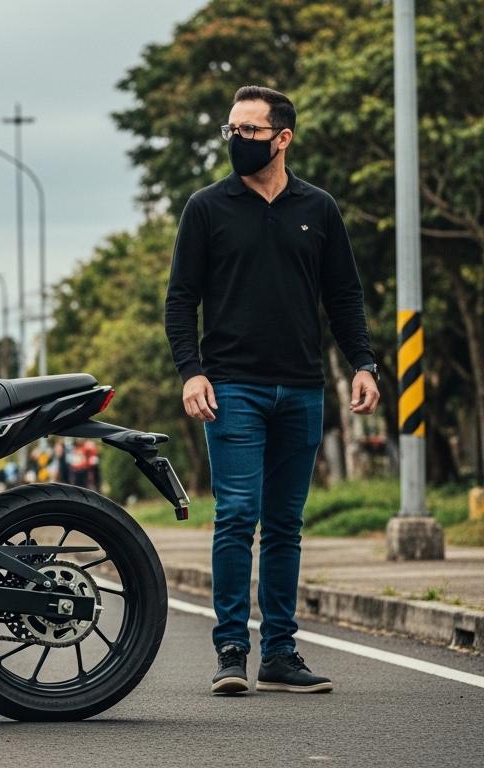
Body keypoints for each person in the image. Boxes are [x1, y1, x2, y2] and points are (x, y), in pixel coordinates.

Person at [164, 86, 379, 697]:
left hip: (303, 389)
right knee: (236, 515)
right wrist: (192, 371)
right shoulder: (206, 207)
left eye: (250, 131)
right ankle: (231, 650)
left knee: (286, 523)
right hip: (232, 388)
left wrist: (362, 363)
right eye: (230, 130)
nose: (237, 141)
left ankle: (280, 653)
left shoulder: (320, 208)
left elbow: (344, 295)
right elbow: (182, 300)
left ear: (282, 138)